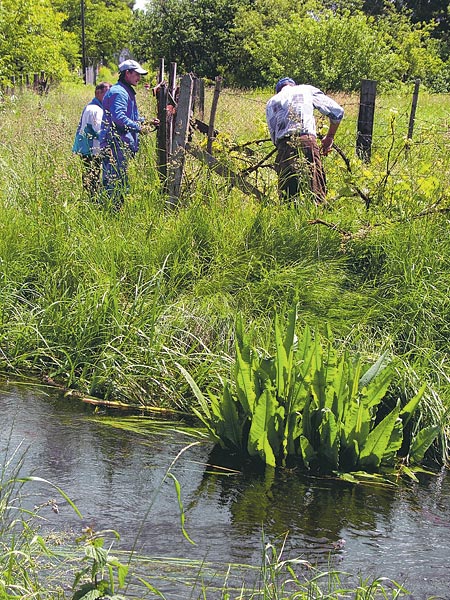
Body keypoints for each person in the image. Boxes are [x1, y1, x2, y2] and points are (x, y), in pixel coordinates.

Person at [266, 77, 344, 204]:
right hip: (307, 142)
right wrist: (330, 136)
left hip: (283, 147)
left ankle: (289, 223)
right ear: (293, 85)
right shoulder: (306, 89)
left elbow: (274, 136)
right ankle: (317, 220)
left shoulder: (271, 102)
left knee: (288, 201)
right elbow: (337, 112)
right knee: (316, 193)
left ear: (278, 90)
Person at [99, 59, 159, 209]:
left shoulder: (124, 90)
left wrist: (147, 122)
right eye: (136, 74)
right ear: (127, 73)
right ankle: (110, 213)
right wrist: (139, 127)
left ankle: (113, 211)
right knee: (114, 181)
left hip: (120, 143)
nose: (139, 78)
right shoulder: (119, 92)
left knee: (119, 179)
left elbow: (130, 116)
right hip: (115, 143)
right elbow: (118, 117)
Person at [72, 81, 111, 196]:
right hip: (90, 149)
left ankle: (91, 199)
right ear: (98, 93)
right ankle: (92, 201)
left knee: (91, 175)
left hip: (88, 147)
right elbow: (100, 131)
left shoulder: (95, 107)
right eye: (107, 93)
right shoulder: (95, 109)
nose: (109, 96)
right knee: (92, 176)